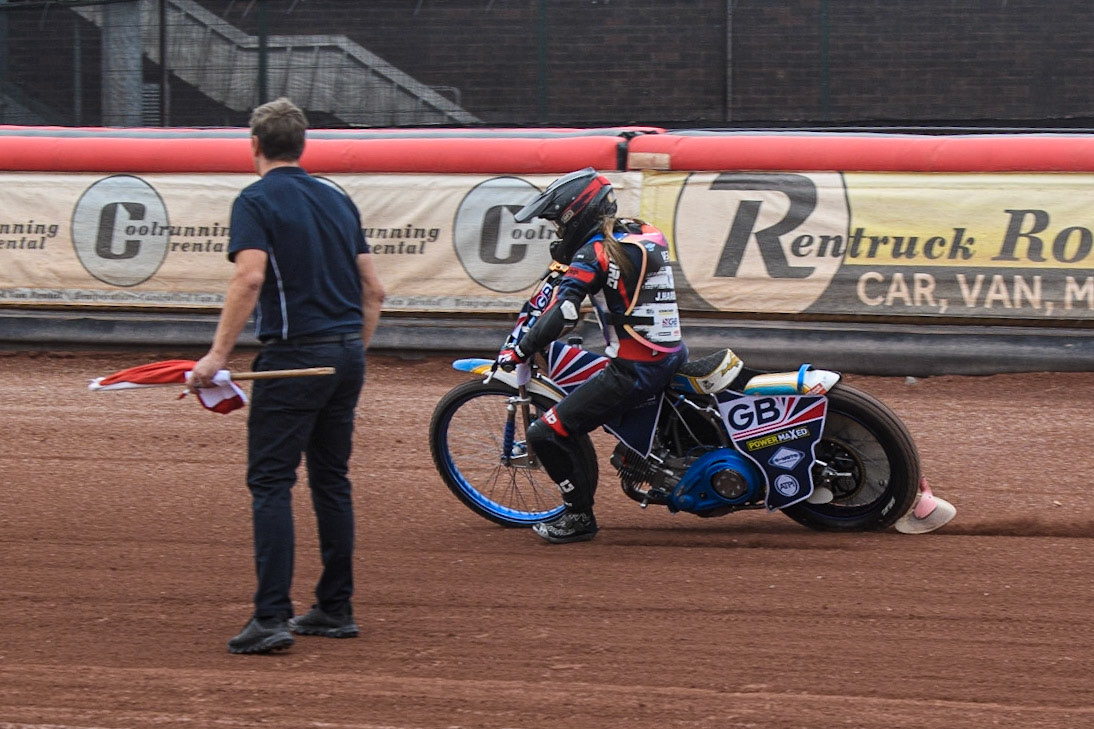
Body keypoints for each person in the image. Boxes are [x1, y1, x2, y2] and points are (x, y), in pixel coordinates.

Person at [189, 97, 386, 654]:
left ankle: (271, 617)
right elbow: (374, 290)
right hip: (346, 353)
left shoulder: (255, 200)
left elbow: (248, 279)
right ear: (302, 146)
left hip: (295, 356)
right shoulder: (336, 196)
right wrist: (350, 351)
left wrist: (216, 357)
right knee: (331, 479)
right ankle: (334, 607)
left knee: (271, 482)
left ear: (253, 145)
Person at [500, 167, 687, 544]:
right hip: (671, 353)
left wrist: (522, 348)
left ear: (575, 214)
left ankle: (578, 517)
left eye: (557, 224)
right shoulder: (646, 233)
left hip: (635, 370)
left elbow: (565, 312)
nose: (557, 233)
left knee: (546, 431)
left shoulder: (594, 253)